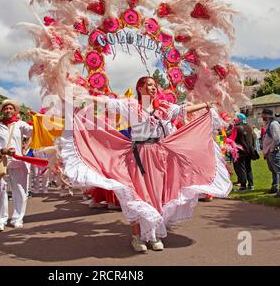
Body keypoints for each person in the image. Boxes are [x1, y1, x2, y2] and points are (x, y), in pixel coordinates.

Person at [61, 76, 232, 252]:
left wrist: (206, 106)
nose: (153, 88)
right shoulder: (131, 106)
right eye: (149, 85)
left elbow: (183, 109)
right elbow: (106, 102)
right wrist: (82, 97)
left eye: (154, 85)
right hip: (138, 156)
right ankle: (137, 238)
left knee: (156, 195)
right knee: (138, 195)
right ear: (140, 88)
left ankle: (154, 235)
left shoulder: (164, 108)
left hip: (158, 156)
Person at [0, 99, 33, 232]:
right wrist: (2, 151)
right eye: (5, 108)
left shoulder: (20, 124)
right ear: (2, 111)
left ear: (15, 111)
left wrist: (36, 118)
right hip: (1, 162)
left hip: (18, 162)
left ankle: (17, 219)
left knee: (20, 191)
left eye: (10, 108)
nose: (8, 110)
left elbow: (33, 131)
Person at [230, 113, 256, 191]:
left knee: (241, 169)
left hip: (240, 151)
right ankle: (251, 185)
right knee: (248, 168)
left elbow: (231, 138)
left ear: (240, 119)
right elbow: (252, 138)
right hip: (249, 150)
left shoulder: (237, 128)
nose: (234, 119)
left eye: (236, 118)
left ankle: (243, 186)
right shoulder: (248, 127)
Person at [261, 109, 280, 196]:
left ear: (267, 115)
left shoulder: (273, 124)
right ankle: (274, 187)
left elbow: (277, 139)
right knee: (273, 170)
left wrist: (271, 149)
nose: (261, 116)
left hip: (273, 152)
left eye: (263, 115)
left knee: (278, 170)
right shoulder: (269, 124)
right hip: (269, 152)